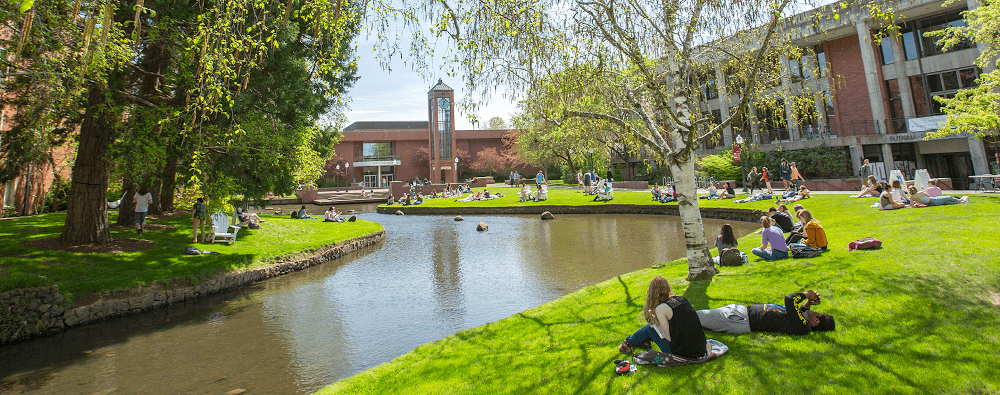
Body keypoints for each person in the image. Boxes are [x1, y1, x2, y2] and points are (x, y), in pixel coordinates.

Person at [618, 276, 707, 359]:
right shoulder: (682, 299)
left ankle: (627, 343)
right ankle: (641, 341)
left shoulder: (661, 309)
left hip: (681, 353)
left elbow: (668, 338)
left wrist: (658, 328)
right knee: (654, 326)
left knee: (651, 328)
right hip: (700, 349)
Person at [696, 290, 835, 335]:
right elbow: (799, 312)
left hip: (739, 319)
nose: (815, 311)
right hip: (741, 314)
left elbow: (790, 300)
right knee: (699, 316)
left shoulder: (802, 326)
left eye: (818, 314)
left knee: (695, 317)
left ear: (816, 322)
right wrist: (808, 303)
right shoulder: (802, 322)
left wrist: (806, 294)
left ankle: (676, 317)